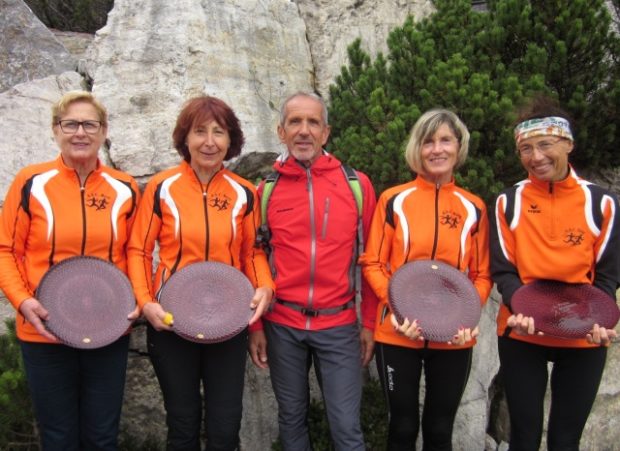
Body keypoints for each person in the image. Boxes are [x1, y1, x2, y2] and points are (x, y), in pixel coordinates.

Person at [127, 95, 274, 451]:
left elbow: (251, 252)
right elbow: (138, 250)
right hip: (171, 322)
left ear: (231, 140)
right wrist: (146, 303)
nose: (209, 141)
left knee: (225, 428)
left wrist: (265, 287)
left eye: (218, 132)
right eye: (200, 132)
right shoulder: (163, 187)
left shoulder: (243, 193)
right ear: (185, 138)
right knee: (183, 425)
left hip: (227, 322)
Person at [0, 91, 140, 450]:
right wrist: (22, 301)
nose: (80, 132)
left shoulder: (124, 188)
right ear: (55, 130)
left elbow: (135, 253)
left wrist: (138, 301)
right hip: (44, 329)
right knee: (58, 436)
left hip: (108, 328)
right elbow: (5, 250)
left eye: (90, 124)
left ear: (104, 131)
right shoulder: (30, 182)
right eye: (71, 124)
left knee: (102, 437)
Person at [247, 91, 378, 450]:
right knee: (291, 420)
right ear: (281, 131)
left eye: (313, 122)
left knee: (346, 427)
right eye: (295, 122)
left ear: (326, 132)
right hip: (282, 324)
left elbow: (370, 258)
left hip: (338, 325)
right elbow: (255, 254)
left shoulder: (356, 185)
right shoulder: (266, 191)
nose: (304, 131)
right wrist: (256, 324)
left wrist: (369, 322)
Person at [490, 95, 620, 450]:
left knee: (565, 440)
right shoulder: (508, 202)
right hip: (523, 331)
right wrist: (522, 308)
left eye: (545, 144)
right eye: (526, 149)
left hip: (582, 333)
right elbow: (503, 271)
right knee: (524, 437)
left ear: (568, 143)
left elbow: (608, 275)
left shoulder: (602, 203)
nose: (536, 157)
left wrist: (601, 319)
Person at [360, 109, 492, 450]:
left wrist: (464, 314)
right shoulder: (393, 200)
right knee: (402, 428)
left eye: (445, 140)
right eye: (428, 141)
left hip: (454, 336)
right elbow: (373, 263)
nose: (437, 149)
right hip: (398, 333)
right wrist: (398, 307)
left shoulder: (473, 207)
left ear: (458, 146)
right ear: (417, 148)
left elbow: (481, 274)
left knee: (439, 429)